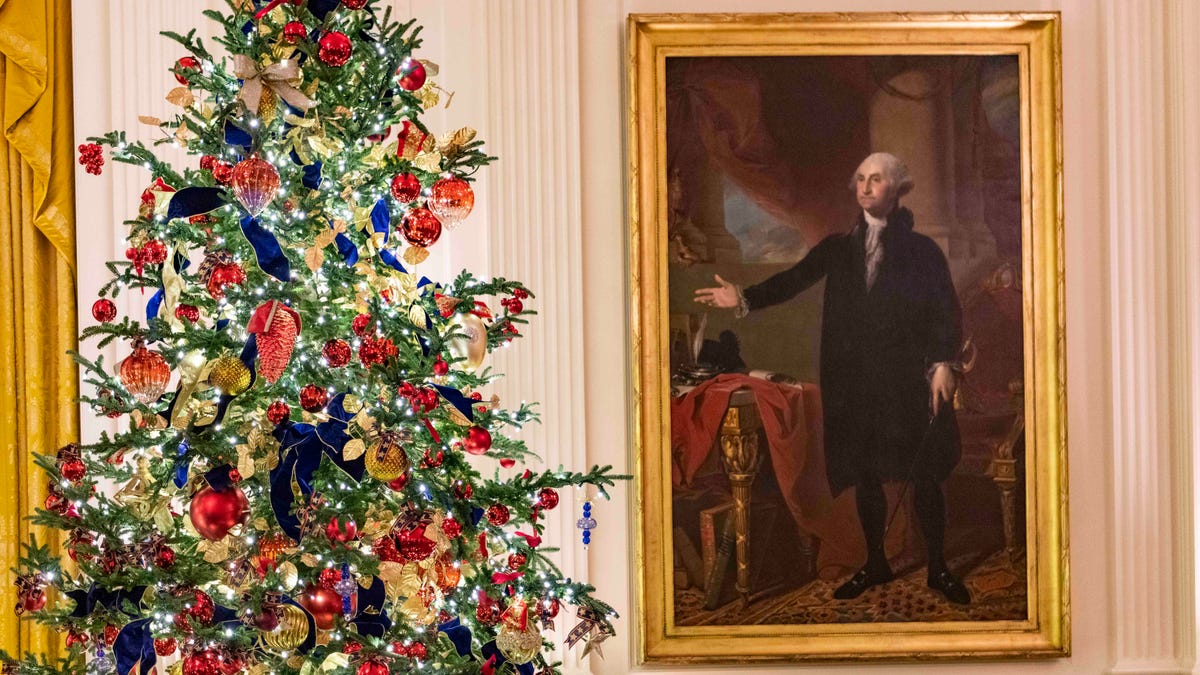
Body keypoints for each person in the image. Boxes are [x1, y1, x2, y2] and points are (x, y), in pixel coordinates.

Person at [694, 152, 970, 604]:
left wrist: (943, 363)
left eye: (876, 179)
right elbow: (793, 279)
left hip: (907, 381)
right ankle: (876, 562)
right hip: (856, 384)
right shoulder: (838, 248)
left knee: (924, 474)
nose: (865, 187)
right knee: (865, 474)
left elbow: (945, 309)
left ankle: (938, 567)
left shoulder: (923, 251)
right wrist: (741, 297)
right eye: (860, 178)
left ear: (898, 188)